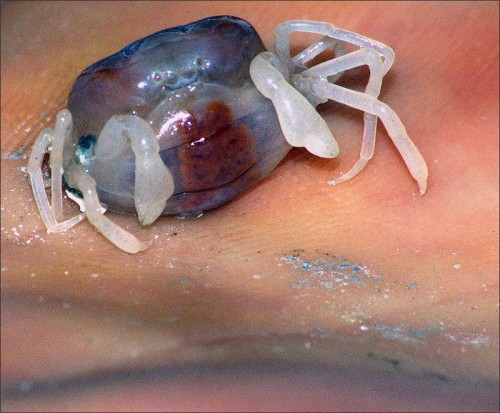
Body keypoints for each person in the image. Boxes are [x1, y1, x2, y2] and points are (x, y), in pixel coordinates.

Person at [2, 2, 498, 411]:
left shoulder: (283, 72)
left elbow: (373, 66)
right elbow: (62, 157)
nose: (183, 89)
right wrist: (61, 210)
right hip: (122, 165)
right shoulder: (95, 141)